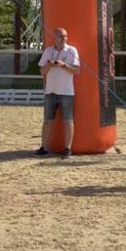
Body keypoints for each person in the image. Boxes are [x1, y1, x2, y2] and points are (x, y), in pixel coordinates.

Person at [36, 27, 80, 157]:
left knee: (68, 121)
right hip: (50, 91)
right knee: (47, 121)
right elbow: (42, 72)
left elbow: (77, 71)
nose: (63, 39)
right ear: (54, 38)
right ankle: (44, 147)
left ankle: (68, 149)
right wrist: (50, 65)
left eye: (65, 36)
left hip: (67, 92)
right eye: (60, 36)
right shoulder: (48, 51)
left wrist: (63, 65)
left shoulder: (72, 51)